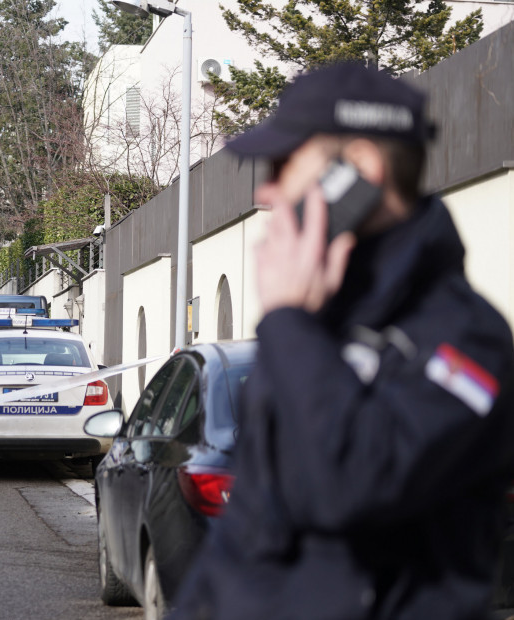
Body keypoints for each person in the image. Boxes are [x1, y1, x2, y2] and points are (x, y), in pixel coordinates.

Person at [168, 63, 514, 620]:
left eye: (284, 164)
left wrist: (288, 323)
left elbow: (347, 486)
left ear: (358, 169)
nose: (266, 189)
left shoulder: (466, 341)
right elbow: (245, 538)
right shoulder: (319, 318)